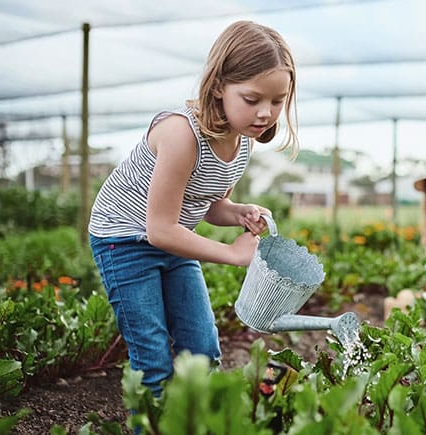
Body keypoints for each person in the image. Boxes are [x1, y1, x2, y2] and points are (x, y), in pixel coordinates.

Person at [88, 20, 298, 397]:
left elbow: (210, 206)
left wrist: (238, 212)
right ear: (218, 86)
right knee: (153, 362)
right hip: (125, 242)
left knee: (202, 351)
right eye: (252, 99)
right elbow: (160, 229)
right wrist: (233, 254)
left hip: (172, 241)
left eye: (277, 101)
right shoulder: (181, 135)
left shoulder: (242, 142)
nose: (265, 113)